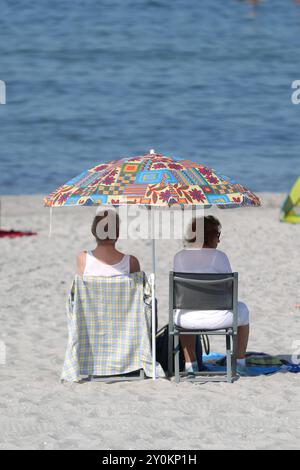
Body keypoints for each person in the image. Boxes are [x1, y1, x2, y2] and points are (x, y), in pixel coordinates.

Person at [173, 216, 250, 376]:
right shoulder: (220, 257)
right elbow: (230, 290)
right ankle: (240, 363)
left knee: (181, 310)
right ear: (208, 235)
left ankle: (190, 364)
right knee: (243, 309)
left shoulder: (179, 256)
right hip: (220, 317)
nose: (219, 240)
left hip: (187, 319)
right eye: (217, 235)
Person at [77, 209, 140, 276]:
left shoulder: (83, 259)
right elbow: (140, 286)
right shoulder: (131, 262)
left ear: (93, 231)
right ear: (117, 233)